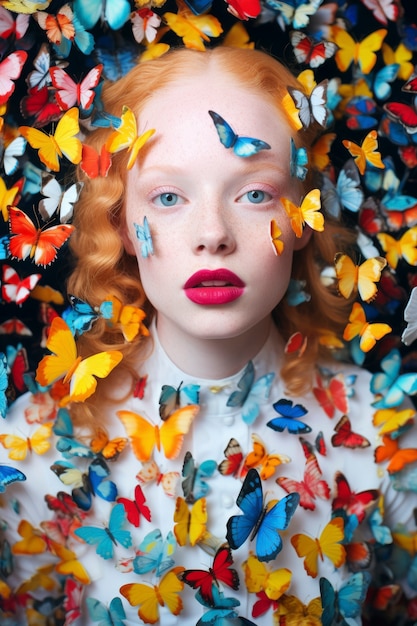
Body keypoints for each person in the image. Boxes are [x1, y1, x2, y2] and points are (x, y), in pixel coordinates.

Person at [1, 46, 416, 626]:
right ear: (121, 222)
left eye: (254, 193)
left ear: (303, 215)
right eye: (168, 197)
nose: (213, 235)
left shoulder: (385, 432)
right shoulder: (30, 452)